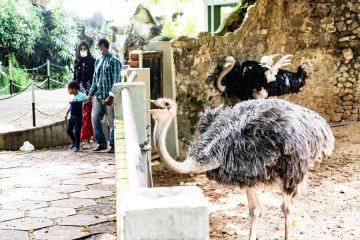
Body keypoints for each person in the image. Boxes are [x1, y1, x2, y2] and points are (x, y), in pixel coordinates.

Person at [87, 38, 121, 153]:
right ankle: (101, 143)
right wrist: (90, 95)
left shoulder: (114, 61)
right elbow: (94, 80)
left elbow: (117, 81)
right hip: (98, 96)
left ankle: (113, 144)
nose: (96, 48)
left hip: (109, 98)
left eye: (97, 46)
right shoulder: (98, 61)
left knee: (111, 122)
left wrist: (111, 97)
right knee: (95, 119)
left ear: (102, 46)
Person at [73, 40, 96, 146]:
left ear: (88, 49)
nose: (83, 50)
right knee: (79, 116)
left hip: (89, 91)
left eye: (84, 49)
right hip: (78, 93)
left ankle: (86, 138)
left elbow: (95, 78)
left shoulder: (93, 61)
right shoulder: (76, 62)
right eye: (81, 49)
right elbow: (74, 78)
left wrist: (91, 93)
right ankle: (83, 137)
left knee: (87, 115)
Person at [65, 81, 87, 152]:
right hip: (72, 117)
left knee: (77, 132)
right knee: (68, 130)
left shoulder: (82, 96)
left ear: (74, 89)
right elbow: (71, 106)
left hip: (79, 117)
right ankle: (74, 141)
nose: (68, 91)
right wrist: (67, 113)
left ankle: (77, 146)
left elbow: (88, 101)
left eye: (69, 89)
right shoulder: (72, 97)